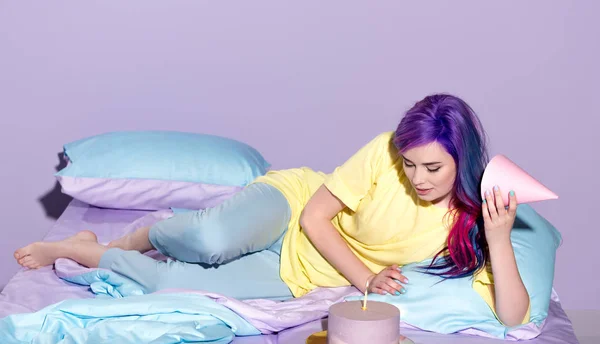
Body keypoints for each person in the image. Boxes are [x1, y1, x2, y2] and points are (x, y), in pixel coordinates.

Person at [13, 93, 530, 327]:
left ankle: (86, 252)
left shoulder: (471, 214)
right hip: (293, 205)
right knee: (208, 241)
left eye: (433, 169)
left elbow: (512, 315)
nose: (417, 178)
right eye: (410, 163)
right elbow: (314, 217)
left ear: (461, 161)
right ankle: (135, 237)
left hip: (300, 274)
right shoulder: (384, 150)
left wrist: (501, 236)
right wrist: (367, 278)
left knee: (174, 288)